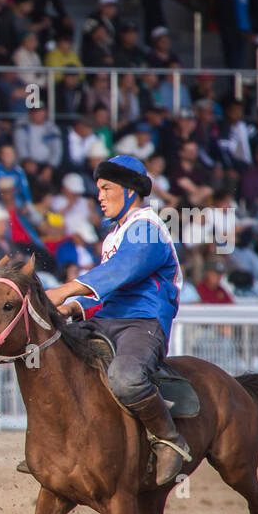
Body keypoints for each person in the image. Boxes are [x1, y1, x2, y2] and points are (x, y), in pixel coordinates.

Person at [45, 155, 190, 486]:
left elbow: (121, 271)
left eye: (105, 188)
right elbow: (107, 292)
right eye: (98, 189)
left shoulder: (148, 229)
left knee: (125, 378)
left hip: (143, 324)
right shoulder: (115, 235)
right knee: (54, 359)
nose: (99, 196)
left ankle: (169, 439)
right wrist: (74, 307)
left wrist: (66, 291)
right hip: (107, 320)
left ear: (128, 191)